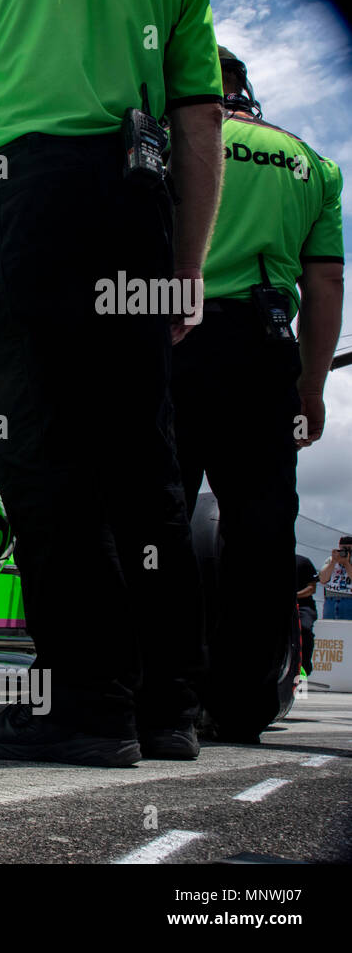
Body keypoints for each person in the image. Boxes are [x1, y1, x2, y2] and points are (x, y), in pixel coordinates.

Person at [0, 0, 223, 765]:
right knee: (144, 460)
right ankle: (166, 708)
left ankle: (85, 703)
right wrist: (187, 265)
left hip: (21, 198)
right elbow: (202, 119)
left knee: (44, 452)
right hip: (132, 197)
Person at [171, 48, 344, 741]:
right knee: (260, 531)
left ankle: (157, 694)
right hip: (265, 349)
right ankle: (242, 706)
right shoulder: (312, 165)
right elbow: (326, 283)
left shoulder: (162, 139)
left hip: (173, 335)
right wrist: (311, 385)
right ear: (250, 90)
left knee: (154, 517)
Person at [296, 554, 319, 676]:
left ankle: (305, 665)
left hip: (303, 605)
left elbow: (311, 588)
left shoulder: (304, 561)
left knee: (304, 628)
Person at [318, 538, 352, 619]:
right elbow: (323, 579)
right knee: (330, 628)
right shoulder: (331, 559)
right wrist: (333, 561)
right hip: (331, 599)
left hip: (349, 599)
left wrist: (346, 563)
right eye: (343, 549)